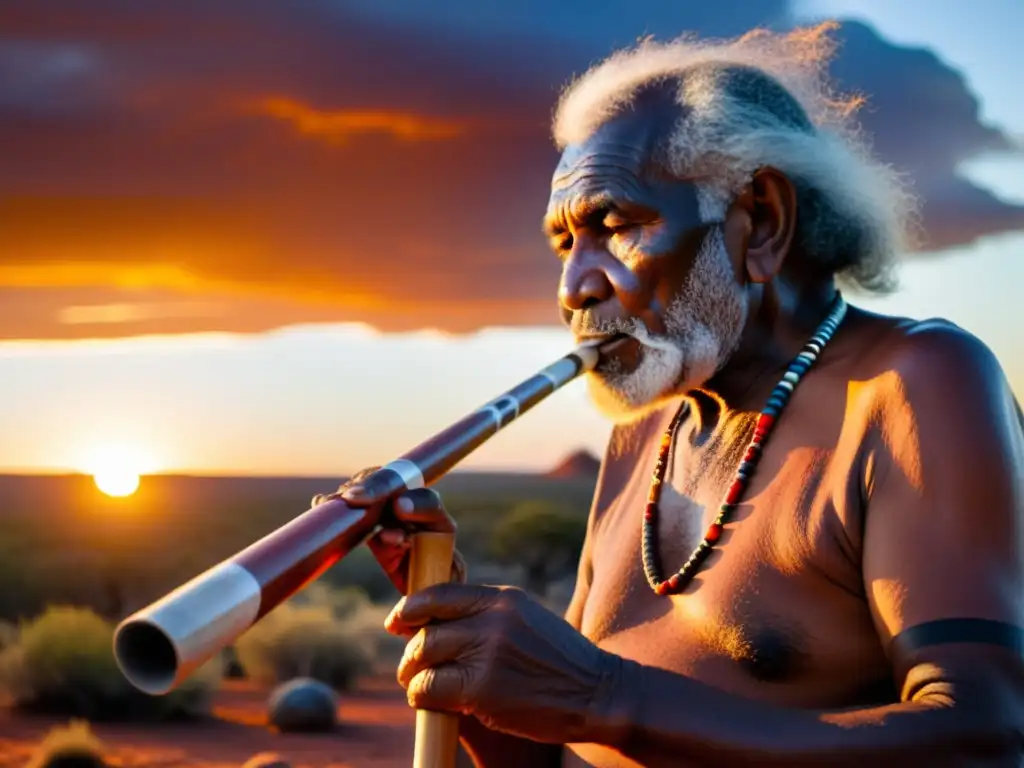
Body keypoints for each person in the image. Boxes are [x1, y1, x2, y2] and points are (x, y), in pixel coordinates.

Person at [322, 24, 1024, 767]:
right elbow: (566, 755)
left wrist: (599, 693)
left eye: (616, 225)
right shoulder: (645, 434)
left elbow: (983, 740)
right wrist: (461, 640)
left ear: (761, 222)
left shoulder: (913, 383)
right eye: (565, 244)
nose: (575, 287)